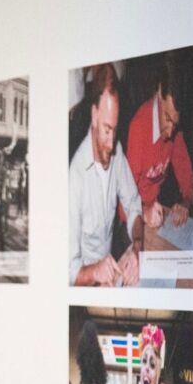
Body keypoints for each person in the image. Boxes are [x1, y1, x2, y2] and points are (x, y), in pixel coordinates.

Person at [68, 64, 144, 286]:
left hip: (111, 279)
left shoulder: (116, 150)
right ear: (94, 115)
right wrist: (95, 272)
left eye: (115, 130)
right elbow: (69, 273)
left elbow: (133, 204)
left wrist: (138, 247)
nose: (112, 144)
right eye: (106, 130)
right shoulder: (75, 177)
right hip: (87, 288)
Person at [126, 53, 193, 229]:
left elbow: (187, 178)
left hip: (156, 212)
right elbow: (122, 202)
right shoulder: (138, 128)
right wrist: (143, 212)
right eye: (167, 118)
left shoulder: (174, 130)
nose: (171, 131)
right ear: (159, 93)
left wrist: (185, 203)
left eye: (176, 123)